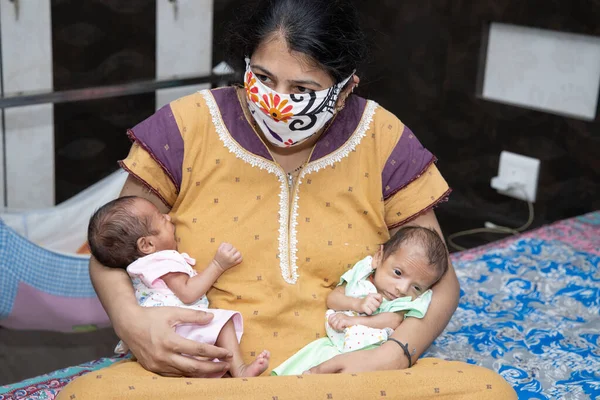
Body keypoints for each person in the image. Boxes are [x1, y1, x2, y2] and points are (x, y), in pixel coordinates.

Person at [58, 0, 516, 398]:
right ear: (244, 65)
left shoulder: (383, 139)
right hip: (205, 375)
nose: (277, 102)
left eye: (302, 90)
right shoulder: (185, 127)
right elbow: (110, 252)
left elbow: (442, 281)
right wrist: (131, 323)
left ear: (344, 90)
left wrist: (394, 355)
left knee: (488, 391)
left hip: (340, 371)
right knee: (85, 395)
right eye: (262, 77)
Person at [87, 196, 270, 378]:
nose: (168, 217)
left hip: (167, 335)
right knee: (224, 322)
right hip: (181, 329)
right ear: (147, 244)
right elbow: (188, 293)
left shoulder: (138, 269)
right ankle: (240, 369)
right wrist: (218, 265)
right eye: (161, 217)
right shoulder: (162, 262)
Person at [272, 226, 447, 375]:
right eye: (398, 273)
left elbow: (393, 320)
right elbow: (334, 298)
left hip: (371, 354)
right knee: (303, 371)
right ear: (379, 257)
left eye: (416, 287)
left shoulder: (402, 302)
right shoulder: (361, 274)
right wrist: (356, 304)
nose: (402, 289)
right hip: (333, 344)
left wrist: (353, 320)